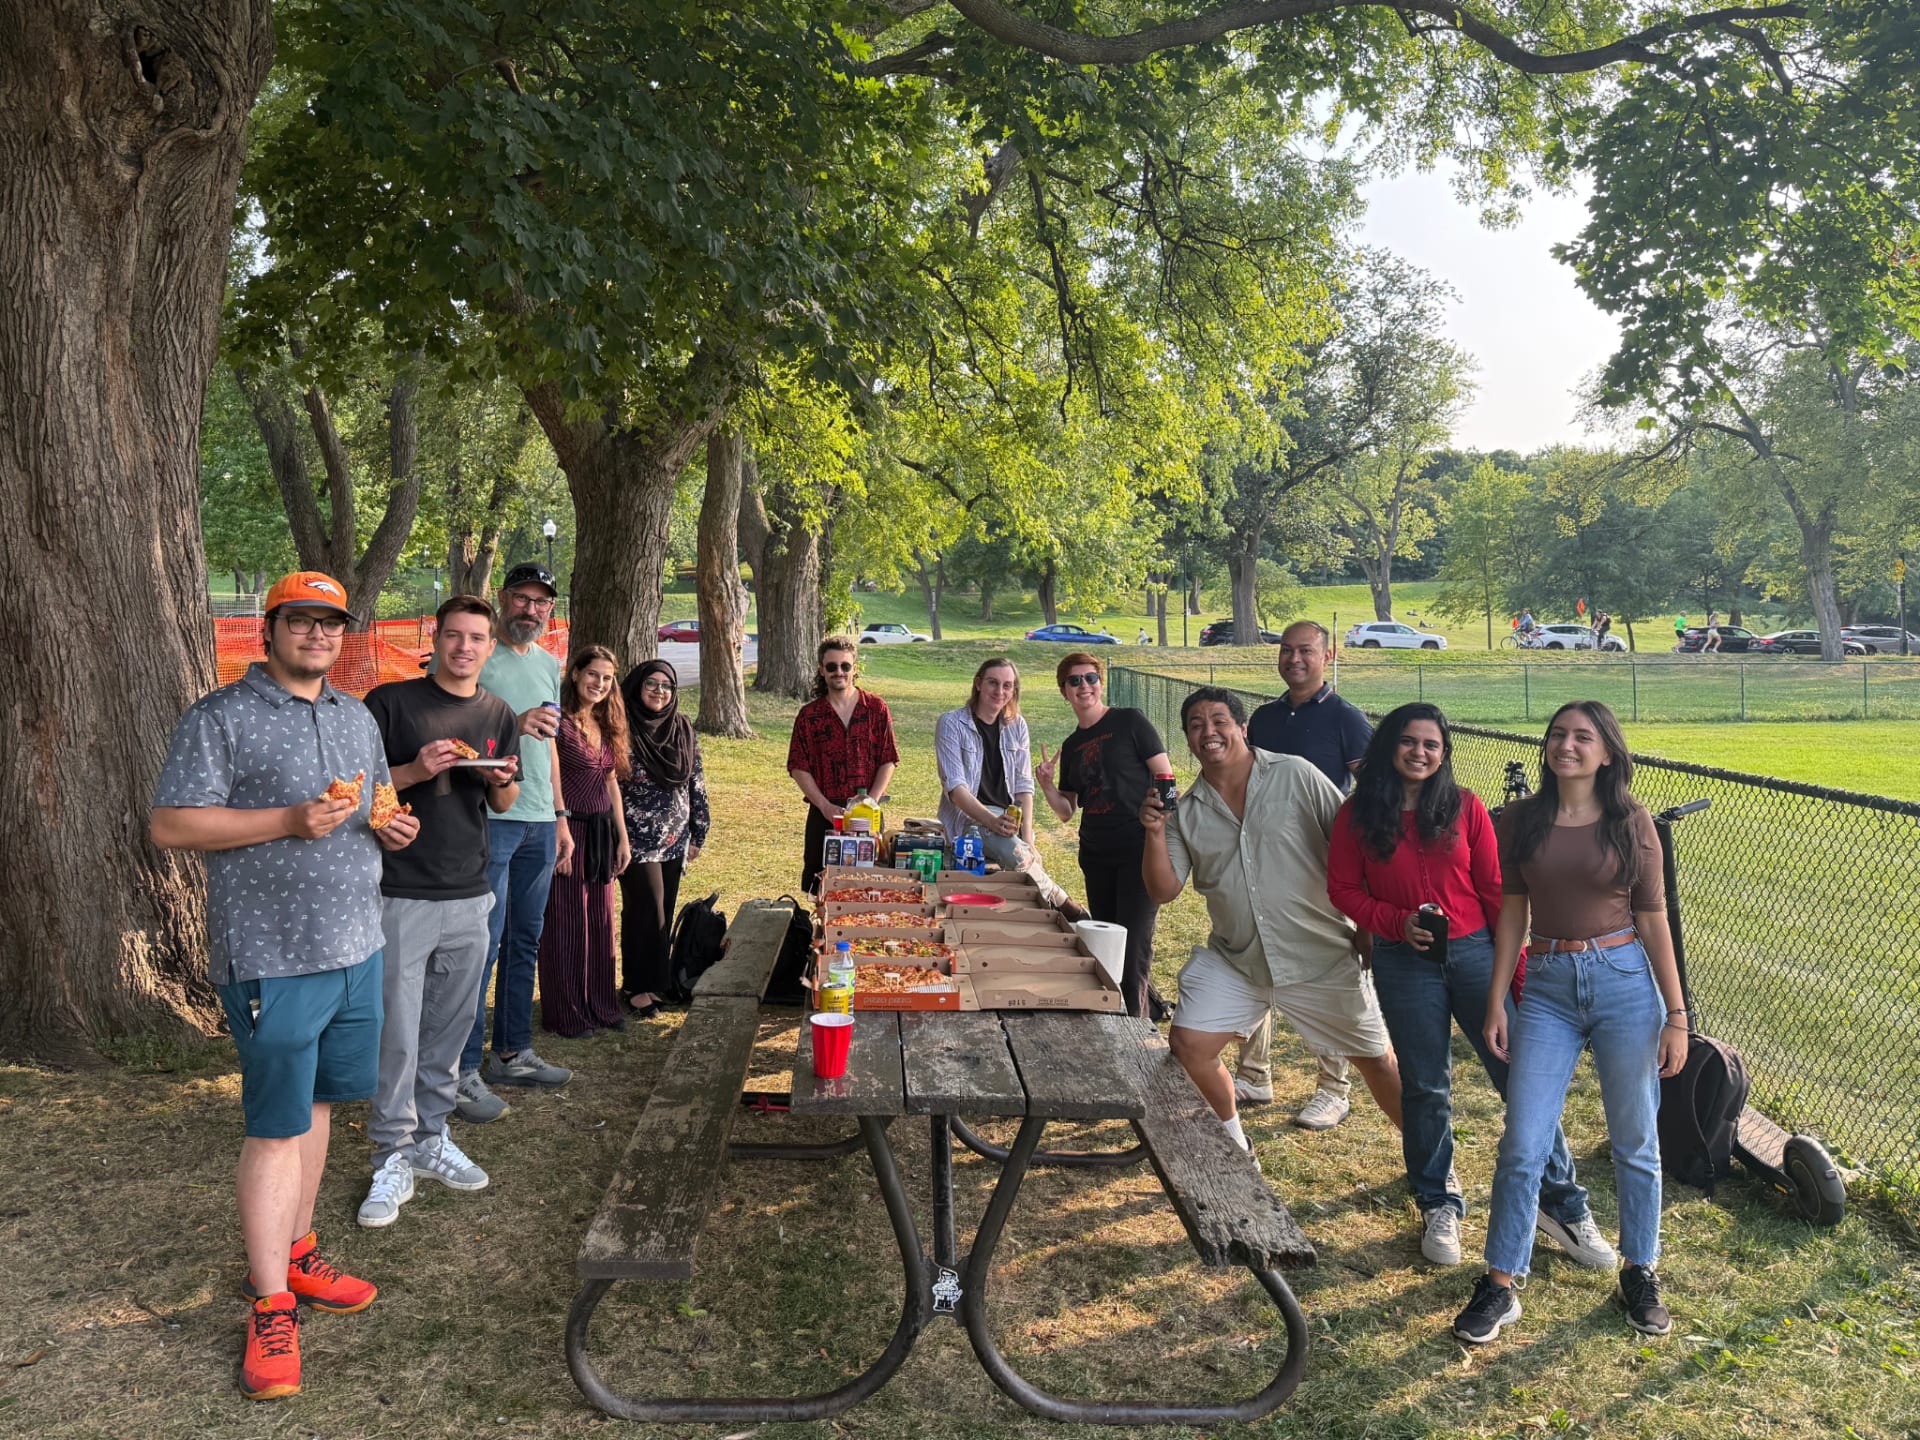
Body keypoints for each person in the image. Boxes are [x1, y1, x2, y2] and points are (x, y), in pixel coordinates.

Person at [150, 571, 420, 1401]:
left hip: (357, 946)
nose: (318, 635)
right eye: (301, 621)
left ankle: (298, 1253)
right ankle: (270, 1304)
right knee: (275, 1126)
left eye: (330, 623)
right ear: (268, 630)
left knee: (322, 1106)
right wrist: (288, 820)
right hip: (274, 956)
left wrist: (392, 826)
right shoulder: (221, 717)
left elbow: (377, 803)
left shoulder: (355, 716)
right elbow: (170, 824)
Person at [1327, 704, 1615, 1273]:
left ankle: (1562, 1206)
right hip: (1404, 961)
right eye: (1408, 742)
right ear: (1389, 747)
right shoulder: (1358, 814)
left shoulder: (1466, 807)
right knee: (1425, 1086)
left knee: (1522, 1077)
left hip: (1477, 955)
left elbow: (1497, 892)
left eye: (1431, 745)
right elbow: (1343, 889)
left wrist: (1513, 974)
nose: (1419, 753)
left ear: (1444, 753)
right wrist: (1393, 922)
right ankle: (1438, 1201)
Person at [1451, 701, 1689, 1346]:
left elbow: (1653, 917)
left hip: (1623, 981)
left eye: (1584, 737)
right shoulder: (1521, 820)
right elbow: (1512, 912)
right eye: (1558, 734)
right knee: (1523, 1142)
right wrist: (1497, 1000)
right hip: (1549, 985)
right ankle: (1500, 1284)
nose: (1567, 745)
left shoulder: (1631, 821)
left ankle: (1640, 1271)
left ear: (1607, 753)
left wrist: (1676, 1014)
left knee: (1634, 1139)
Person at [1139, 687, 1403, 1164]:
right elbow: (1163, 890)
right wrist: (1155, 833)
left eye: (1219, 720)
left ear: (1243, 728)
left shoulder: (1296, 774)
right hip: (1238, 959)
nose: (1208, 731)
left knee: (1379, 1063)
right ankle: (1236, 1146)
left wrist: (1367, 928)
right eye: (1196, 725)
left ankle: (1433, 1170)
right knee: (1189, 1045)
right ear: (1187, 739)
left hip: (1320, 955)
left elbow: (1354, 846)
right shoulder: (1185, 810)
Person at [358, 595, 523, 1229]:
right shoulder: (390, 702)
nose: (464, 647)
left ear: (489, 646)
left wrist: (499, 778)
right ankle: (391, 1153)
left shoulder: (496, 712)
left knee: (450, 1029)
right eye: (454, 635)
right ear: (435, 637)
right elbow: (357, 791)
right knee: (398, 1032)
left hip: (470, 892)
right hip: (401, 892)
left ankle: (431, 1135)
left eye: (476, 638)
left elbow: (505, 802)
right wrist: (414, 769)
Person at [1240, 620, 1372, 1128]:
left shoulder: (1347, 719)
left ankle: (1334, 1088)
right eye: (1287, 650)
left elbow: (1372, 796)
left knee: (1328, 972)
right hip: (1263, 865)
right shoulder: (1264, 718)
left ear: (1327, 655)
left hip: (1322, 867)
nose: (1294, 659)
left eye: (1306, 651)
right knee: (1256, 957)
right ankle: (1253, 1074)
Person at [456, 563, 574, 1122]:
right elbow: (453, 727)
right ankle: (460, 1069)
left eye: (541, 602)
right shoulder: (477, 655)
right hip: (489, 818)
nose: (531, 609)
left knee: (525, 939)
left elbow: (548, 744)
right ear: (502, 599)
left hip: (539, 822)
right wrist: (511, 724)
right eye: (523, 599)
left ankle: (511, 1052)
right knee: (481, 944)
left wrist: (560, 815)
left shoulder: (549, 663)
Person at [1034, 652, 1173, 1019]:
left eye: (1091, 678)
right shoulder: (1073, 746)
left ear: (1101, 682)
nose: (1084, 686)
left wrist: (1164, 827)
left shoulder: (1130, 722)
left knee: (1134, 944)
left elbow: (1165, 774)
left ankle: (1137, 1027)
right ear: (1064, 691)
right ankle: (1118, 1015)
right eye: (1075, 680)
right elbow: (1067, 811)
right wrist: (1047, 785)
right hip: (1096, 854)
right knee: (1106, 943)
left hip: (1139, 850)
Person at [934, 658, 1082, 916]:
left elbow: (1024, 786)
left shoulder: (1017, 725)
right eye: (993, 683)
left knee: (1020, 849)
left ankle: (1046, 909)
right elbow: (956, 789)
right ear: (978, 684)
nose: (999, 691)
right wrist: (993, 822)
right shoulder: (951, 723)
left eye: (1007, 686)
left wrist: (1028, 839)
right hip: (970, 817)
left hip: (1008, 818)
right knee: (1014, 852)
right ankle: (1063, 903)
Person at [539, 644, 633, 1037]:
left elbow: (611, 783)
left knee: (599, 920)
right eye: (593, 674)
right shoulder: (558, 723)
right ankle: (567, 1011)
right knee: (565, 922)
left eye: (607, 678)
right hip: (569, 830)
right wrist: (558, 827)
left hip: (599, 833)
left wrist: (622, 838)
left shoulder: (605, 722)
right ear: (575, 673)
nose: (599, 683)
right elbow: (550, 778)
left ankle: (600, 1005)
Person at [617, 659, 710, 1016]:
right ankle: (637, 987)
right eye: (651, 684)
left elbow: (695, 781)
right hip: (634, 839)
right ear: (637, 687)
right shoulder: (622, 727)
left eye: (667, 685)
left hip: (675, 838)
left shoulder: (681, 727)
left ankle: (654, 982)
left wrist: (699, 831)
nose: (659, 691)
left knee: (664, 910)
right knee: (647, 909)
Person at [788, 636, 899, 892]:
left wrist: (870, 802)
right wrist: (824, 805)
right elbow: (798, 767)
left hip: (868, 814)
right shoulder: (809, 716)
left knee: (867, 886)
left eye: (845, 666)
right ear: (821, 670)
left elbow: (888, 758)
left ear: (854, 668)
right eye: (832, 666)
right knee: (820, 888)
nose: (839, 672)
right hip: (825, 815)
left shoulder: (876, 708)